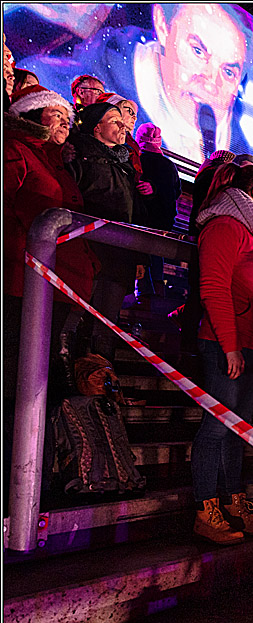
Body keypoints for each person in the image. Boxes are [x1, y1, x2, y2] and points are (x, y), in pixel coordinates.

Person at [190, 163, 253, 545]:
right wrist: (229, 345)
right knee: (216, 427)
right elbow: (214, 288)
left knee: (240, 430)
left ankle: (233, 501)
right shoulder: (225, 226)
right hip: (225, 344)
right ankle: (205, 508)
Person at [25, 5, 253, 161]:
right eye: (198, 51)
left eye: (227, 72)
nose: (210, 84)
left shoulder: (240, 153)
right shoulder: (55, 85)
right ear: (162, 25)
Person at [4, 86, 101, 447]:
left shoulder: (56, 163)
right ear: (30, 115)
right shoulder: (16, 150)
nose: (65, 120)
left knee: (37, 387)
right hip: (20, 283)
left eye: (67, 116)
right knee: (16, 385)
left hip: (57, 286)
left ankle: (30, 483)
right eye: (55, 113)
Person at [66, 101, 149, 359]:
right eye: (114, 120)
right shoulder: (78, 157)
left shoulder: (125, 166)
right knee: (72, 320)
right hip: (84, 253)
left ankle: (101, 385)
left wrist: (138, 256)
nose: (123, 125)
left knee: (106, 326)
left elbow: (133, 215)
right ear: (96, 127)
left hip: (118, 256)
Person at [135, 123, 182, 232]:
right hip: (165, 222)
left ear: (138, 139)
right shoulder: (170, 166)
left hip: (141, 221)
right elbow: (177, 192)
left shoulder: (137, 160)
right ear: (159, 142)